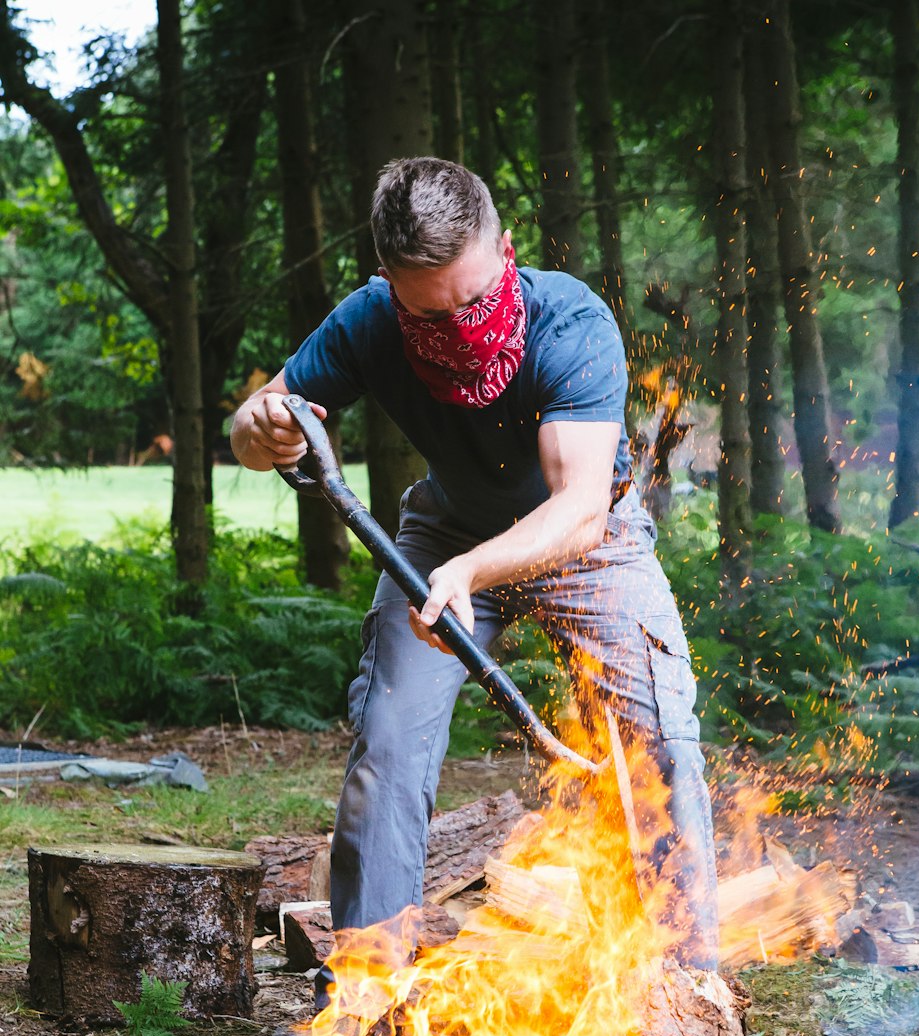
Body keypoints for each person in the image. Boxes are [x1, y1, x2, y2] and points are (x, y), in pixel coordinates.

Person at [231, 157, 718, 968]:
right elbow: (255, 423)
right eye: (434, 313)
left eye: (476, 300)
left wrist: (469, 575)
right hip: (445, 529)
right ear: (390, 284)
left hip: (587, 539)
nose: (462, 328)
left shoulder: (572, 324)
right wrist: (262, 429)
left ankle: (689, 984)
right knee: (388, 737)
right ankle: (368, 990)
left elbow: (579, 510)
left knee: (658, 738)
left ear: (507, 249)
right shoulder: (365, 324)